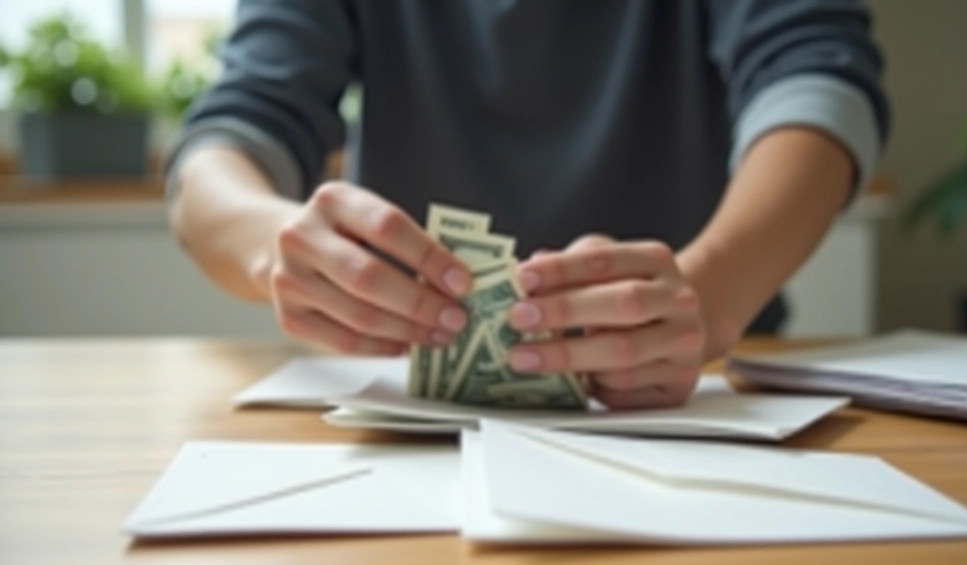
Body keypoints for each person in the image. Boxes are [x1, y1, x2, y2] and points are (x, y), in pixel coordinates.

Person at [166, 0, 888, 410]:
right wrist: (276, 247)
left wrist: (714, 291)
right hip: (412, 419)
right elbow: (231, 139)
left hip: (701, 399)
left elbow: (818, 81)